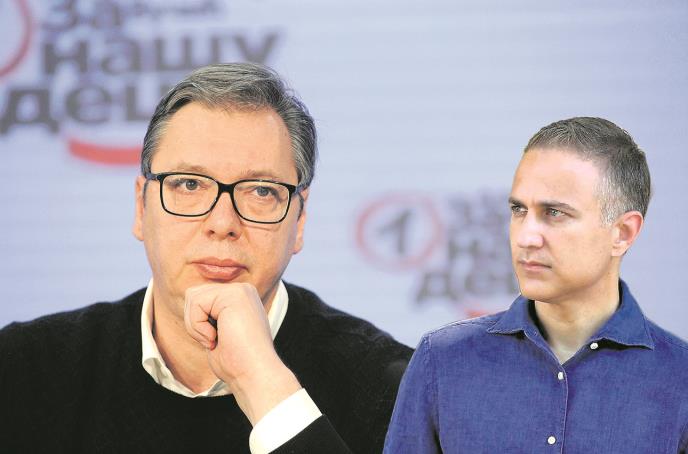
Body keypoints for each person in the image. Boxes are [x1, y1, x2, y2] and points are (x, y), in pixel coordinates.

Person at [0, 63, 412, 454]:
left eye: (261, 191)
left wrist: (262, 382)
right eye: (189, 184)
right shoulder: (23, 368)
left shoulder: (393, 388)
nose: (222, 223)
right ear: (141, 208)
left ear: (299, 221)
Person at [384, 117, 688, 453]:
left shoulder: (680, 378)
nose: (526, 237)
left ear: (623, 233)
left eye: (554, 213)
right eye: (518, 210)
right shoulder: (442, 361)